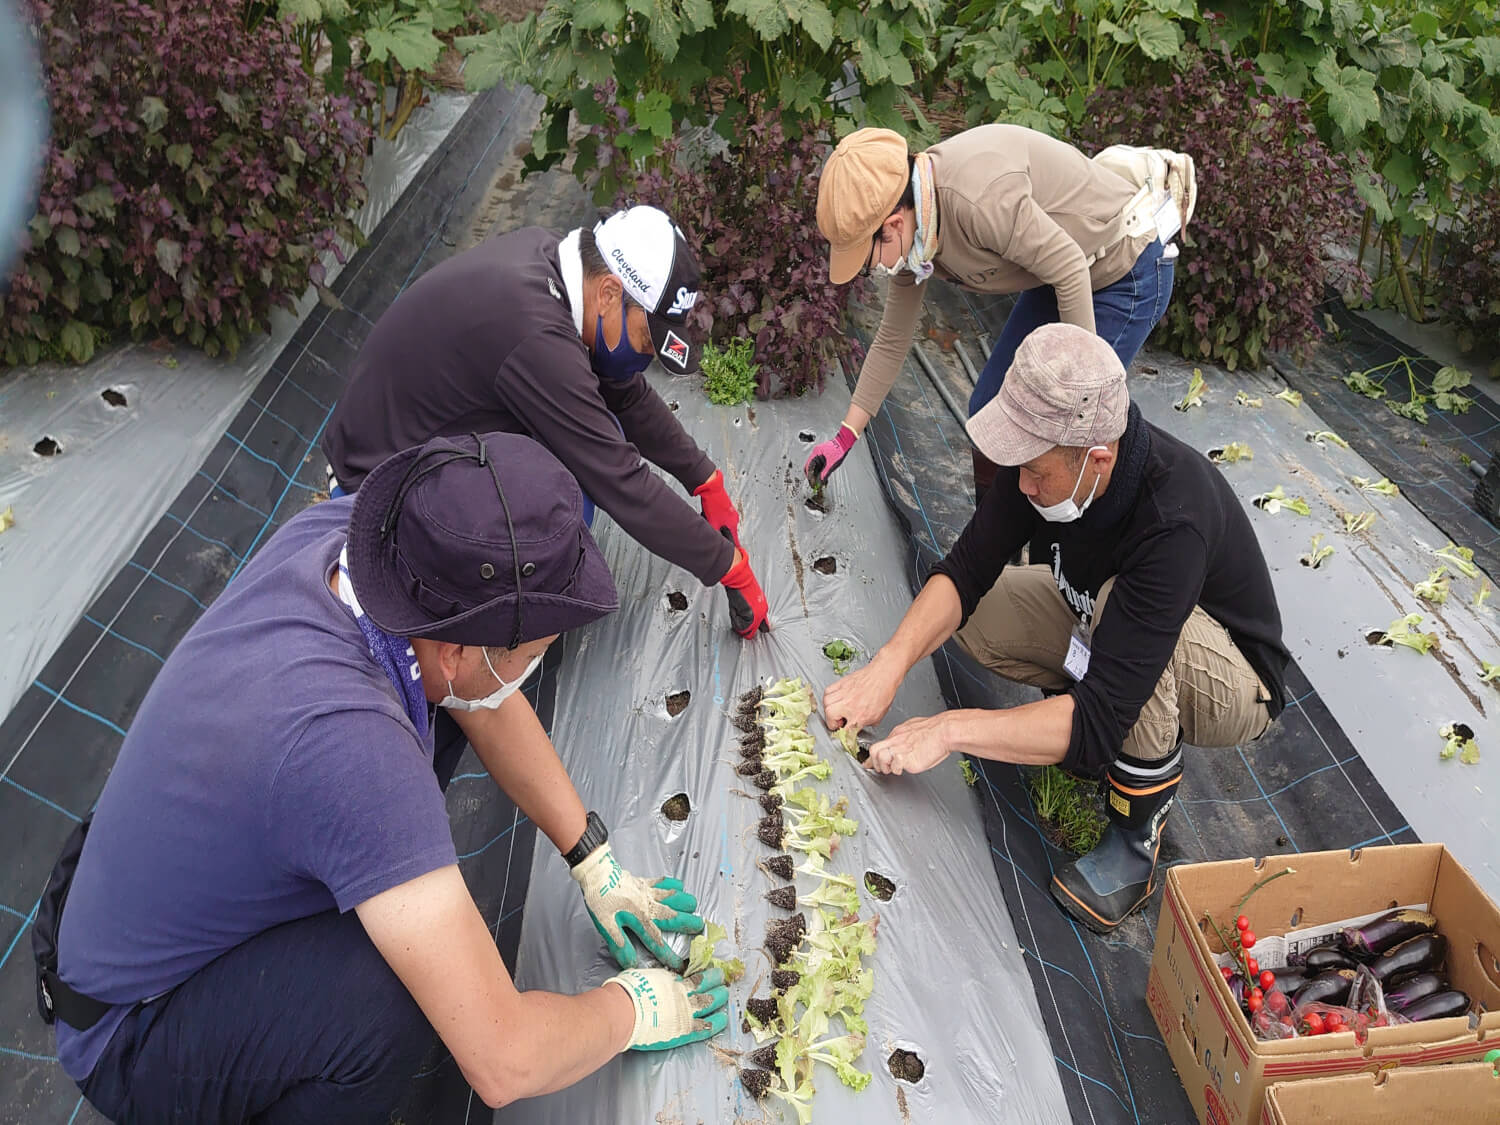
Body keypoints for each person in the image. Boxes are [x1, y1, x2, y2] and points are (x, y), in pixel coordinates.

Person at [34, 432, 729, 1123]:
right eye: (538, 652)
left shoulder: (365, 546)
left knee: (445, 731)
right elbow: (502, 1057)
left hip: (129, 913)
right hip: (128, 1027)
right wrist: (628, 1010)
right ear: (458, 646)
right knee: (390, 1000)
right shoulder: (353, 750)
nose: (534, 669)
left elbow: (475, 695)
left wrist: (592, 858)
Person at [821, 324, 1288, 934]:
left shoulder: (1173, 520)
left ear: (1097, 458)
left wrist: (949, 729)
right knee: (983, 617)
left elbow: (1099, 719)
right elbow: (964, 572)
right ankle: (1067, 707)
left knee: (1118, 660)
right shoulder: (1046, 460)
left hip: (1235, 678)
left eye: (1036, 472)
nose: (1024, 485)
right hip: (1110, 616)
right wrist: (887, 666)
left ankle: (1133, 843)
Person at [322, 204, 768, 638]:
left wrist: (704, 478)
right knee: (565, 502)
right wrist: (730, 569)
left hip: (413, 434)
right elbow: (621, 481)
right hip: (374, 487)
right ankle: (476, 634)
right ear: (610, 293)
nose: (648, 353)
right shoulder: (535, 332)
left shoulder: (558, 263)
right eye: (645, 337)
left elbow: (622, 391)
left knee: (592, 440)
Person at [805, 124, 1195, 502]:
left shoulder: (977, 199)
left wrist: (1081, 395)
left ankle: (1070, 550)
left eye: (867, 258)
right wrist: (844, 437)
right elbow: (892, 340)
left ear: (893, 224)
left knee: (1063, 439)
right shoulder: (915, 233)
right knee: (991, 412)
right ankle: (999, 550)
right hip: (1059, 273)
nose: (872, 269)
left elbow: (1071, 267)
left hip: (1123, 269)